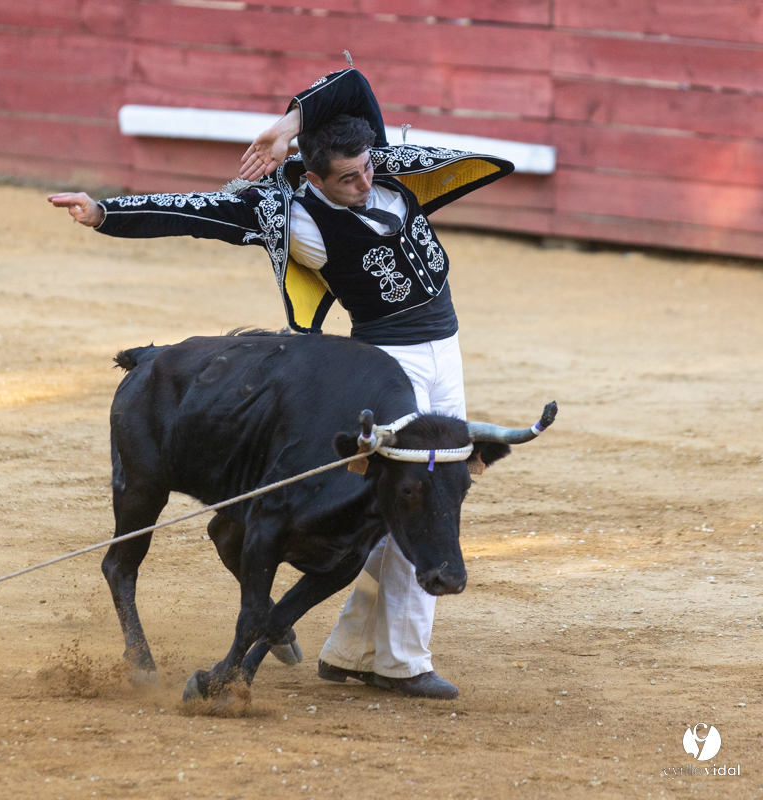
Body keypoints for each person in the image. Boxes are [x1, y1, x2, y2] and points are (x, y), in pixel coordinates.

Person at [48, 67, 512, 699]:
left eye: (367, 168)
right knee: (410, 489)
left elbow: (352, 82)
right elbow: (193, 213)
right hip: (387, 362)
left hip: (445, 350)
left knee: (417, 493)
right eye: (347, 177)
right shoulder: (289, 216)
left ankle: (355, 648)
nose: (365, 181)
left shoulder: (373, 158)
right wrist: (106, 212)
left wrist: (286, 126)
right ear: (314, 177)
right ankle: (402, 658)